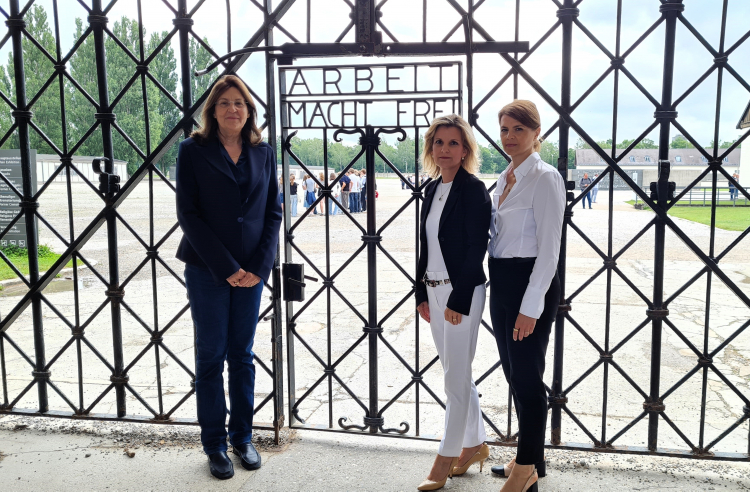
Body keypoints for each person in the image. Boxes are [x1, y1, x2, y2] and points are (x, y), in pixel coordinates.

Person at [175, 75, 282, 480]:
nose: (233, 109)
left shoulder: (263, 152)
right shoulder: (193, 151)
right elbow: (189, 214)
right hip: (207, 270)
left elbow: (273, 212)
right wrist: (227, 267)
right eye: (224, 103)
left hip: (252, 273)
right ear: (212, 110)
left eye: (240, 102)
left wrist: (257, 267)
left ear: (249, 110)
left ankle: (242, 437)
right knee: (210, 356)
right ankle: (215, 444)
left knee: (242, 355)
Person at [488, 100, 565, 492]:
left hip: (529, 282)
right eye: (504, 129)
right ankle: (532, 457)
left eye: (518, 129)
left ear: (537, 133)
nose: (510, 137)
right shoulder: (505, 177)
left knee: (527, 377)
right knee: (513, 374)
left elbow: (550, 250)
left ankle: (526, 470)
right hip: (501, 281)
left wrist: (530, 307)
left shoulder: (545, 177)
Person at [415, 114, 492, 491]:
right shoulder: (432, 190)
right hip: (434, 292)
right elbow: (425, 246)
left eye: (453, 143)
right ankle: (475, 444)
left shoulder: (474, 190)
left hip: (462, 293)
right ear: (432, 148)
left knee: (453, 379)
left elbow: (477, 247)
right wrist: (421, 293)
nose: (445, 150)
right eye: (439, 143)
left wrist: (458, 300)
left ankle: (444, 460)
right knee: (457, 374)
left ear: (465, 151)